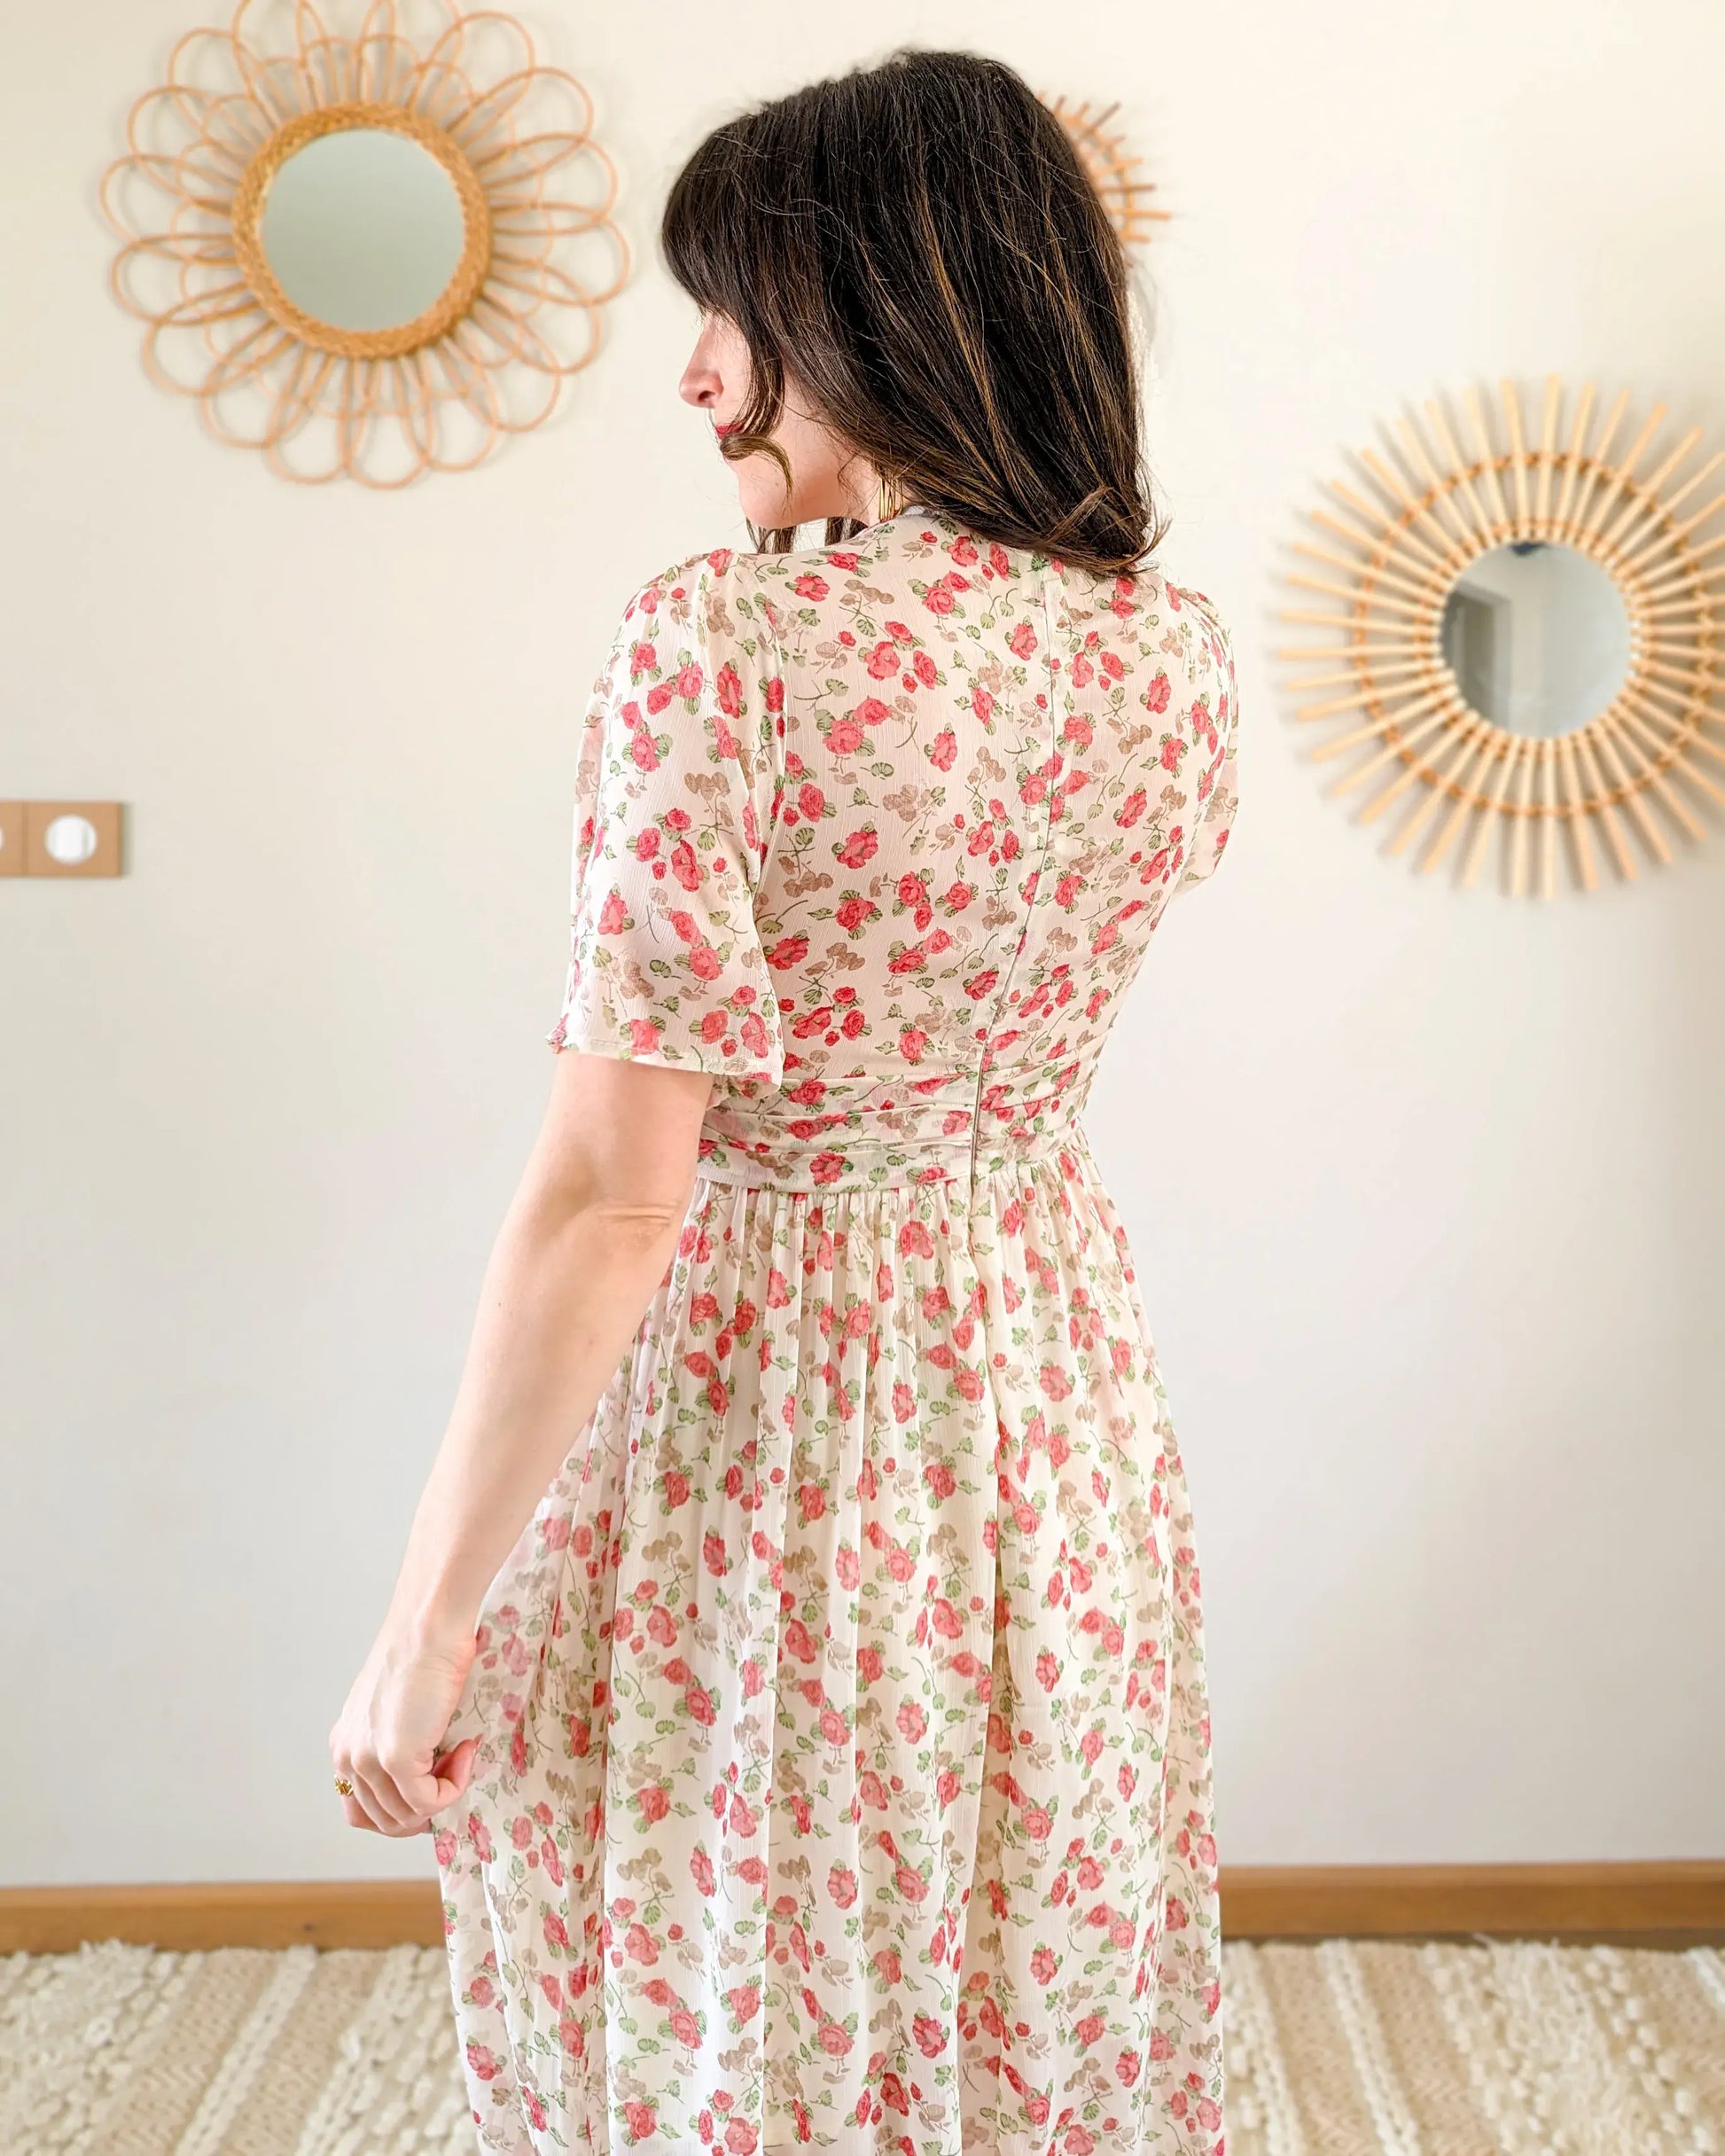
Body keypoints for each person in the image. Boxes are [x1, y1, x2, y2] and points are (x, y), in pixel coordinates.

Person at [330, 45, 1237, 2156]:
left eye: (724, 320)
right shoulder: (1168, 654)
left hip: (771, 1413)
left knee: (735, 1943)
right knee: (1012, 1935)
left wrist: (422, 1626)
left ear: (861, 313)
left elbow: (611, 1198)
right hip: (1048, 1396)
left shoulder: (720, 650)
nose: (697, 379)